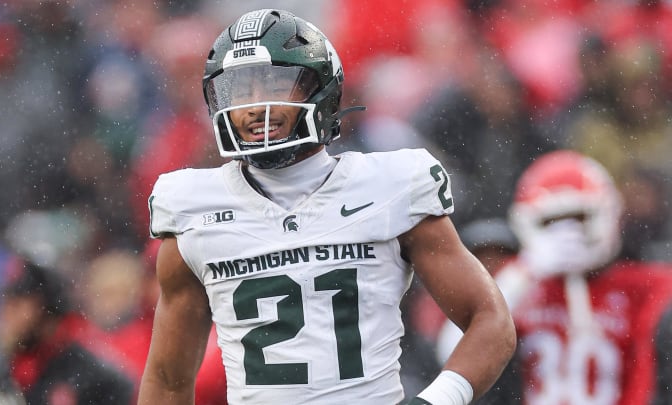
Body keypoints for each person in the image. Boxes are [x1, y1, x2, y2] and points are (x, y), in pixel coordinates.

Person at [138, 9, 515, 405]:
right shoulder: (194, 208)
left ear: (323, 92)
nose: (253, 107)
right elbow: (167, 381)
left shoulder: (390, 186)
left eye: (273, 85)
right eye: (239, 90)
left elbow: (490, 320)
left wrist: (435, 400)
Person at [437, 150, 672, 404]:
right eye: (551, 222)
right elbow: (452, 354)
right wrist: (526, 272)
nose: (567, 234)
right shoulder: (518, 281)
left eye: (579, 217)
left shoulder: (645, 284)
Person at [0, 259, 135, 404]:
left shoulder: (98, 378)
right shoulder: (0, 368)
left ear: (47, 314)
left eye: (17, 305)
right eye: (6, 303)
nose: (6, 314)